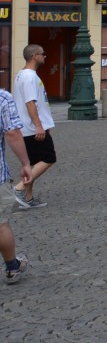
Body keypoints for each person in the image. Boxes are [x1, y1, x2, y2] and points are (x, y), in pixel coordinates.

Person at [11, 45, 53, 209]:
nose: (45, 56)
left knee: (34, 162)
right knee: (49, 157)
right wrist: (39, 126)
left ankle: (28, 199)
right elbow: (30, 103)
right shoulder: (29, 77)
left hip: (27, 127)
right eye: (43, 54)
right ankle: (19, 189)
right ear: (35, 56)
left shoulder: (21, 74)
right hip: (31, 128)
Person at [1, 88, 32, 283]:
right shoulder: (2, 98)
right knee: (0, 224)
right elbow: (12, 133)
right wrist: (25, 163)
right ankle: (12, 267)